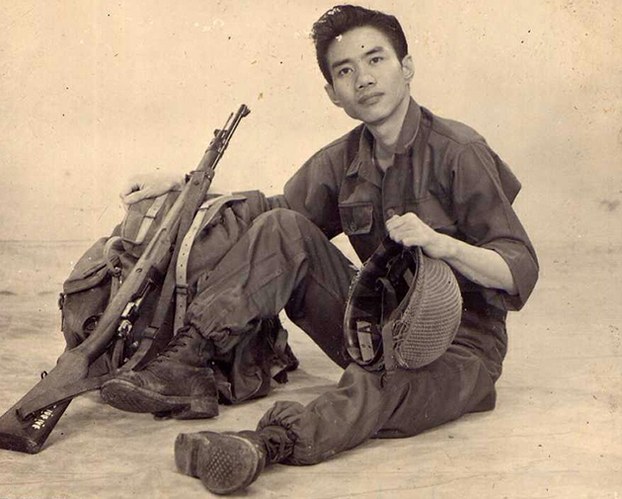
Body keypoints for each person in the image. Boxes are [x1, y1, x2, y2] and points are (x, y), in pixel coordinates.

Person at [101, 4, 539, 495]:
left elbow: (518, 268)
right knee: (282, 227)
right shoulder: (342, 159)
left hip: (461, 347)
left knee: (387, 386)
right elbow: (272, 215)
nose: (363, 79)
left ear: (407, 67)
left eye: (376, 60)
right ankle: (188, 364)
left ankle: (264, 444)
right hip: (374, 327)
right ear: (333, 94)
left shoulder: (460, 151)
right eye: (345, 71)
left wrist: (442, 245)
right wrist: (184, 186)